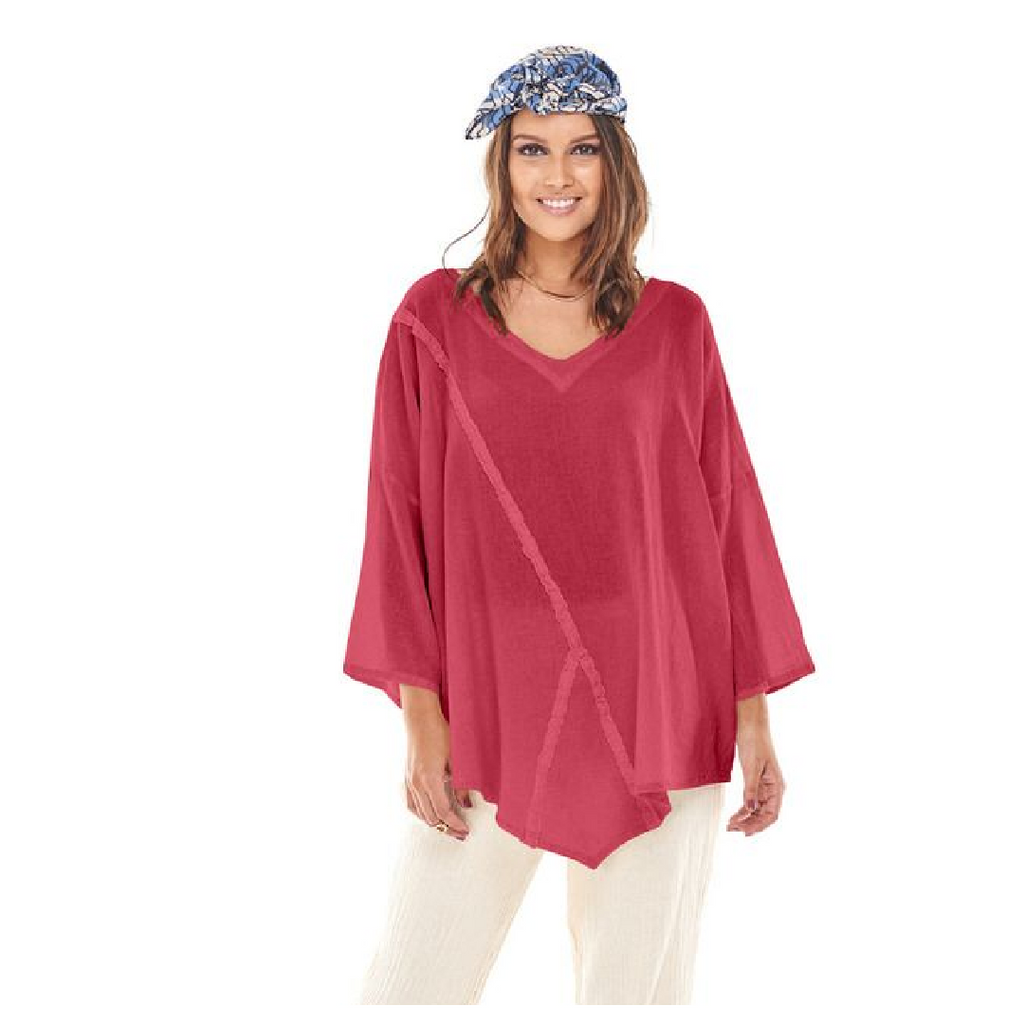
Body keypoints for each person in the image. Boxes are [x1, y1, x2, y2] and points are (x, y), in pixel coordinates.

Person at [341, 45, 816, 1005]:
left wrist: (754, 719)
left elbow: (728, 519)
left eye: (582, 149)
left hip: (660, 702)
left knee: (635, 998)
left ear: (614, 162)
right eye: (532, 149)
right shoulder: (433, 319)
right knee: (408, 990)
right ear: (501, 164)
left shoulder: (677, 324)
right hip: (488, 707)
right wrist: (422, 718)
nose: (557, 175)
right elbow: (397, 516)